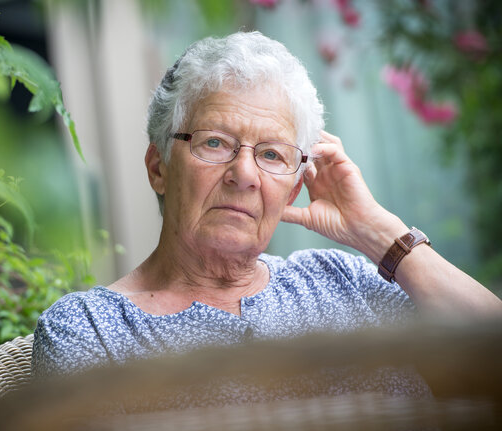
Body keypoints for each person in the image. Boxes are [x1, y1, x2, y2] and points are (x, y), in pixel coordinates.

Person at [32, 31, 501, 399]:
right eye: (214, 142)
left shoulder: (342, 279)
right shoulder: (90, 331)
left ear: (295, 187)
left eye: (273, 155)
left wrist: (381, 234)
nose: (245, 175)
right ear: (159, 168)